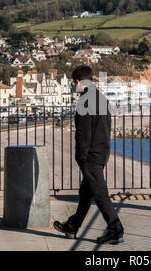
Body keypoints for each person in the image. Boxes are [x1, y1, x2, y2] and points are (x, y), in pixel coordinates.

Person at [53, 66, 124, 245]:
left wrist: (81, 157)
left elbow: (83, 134)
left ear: (77, 82)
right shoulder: (101, 98)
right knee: (86, 193)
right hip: (102, 150)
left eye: (73, 83)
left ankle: (116, 230)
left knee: (100, 193)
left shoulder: (85, 101)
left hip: (90, 155)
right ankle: (72, 226)